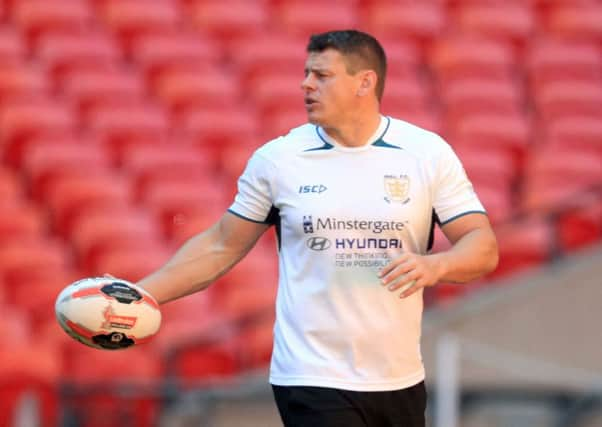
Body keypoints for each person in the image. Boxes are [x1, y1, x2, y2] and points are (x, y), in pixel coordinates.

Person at [136, 29, 499, 427]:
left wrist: (437, 266)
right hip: (311, 376)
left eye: (321, 75)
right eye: (306, 73)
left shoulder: (427, 154)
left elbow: (482, 245)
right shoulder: (279, 160)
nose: (305, 84)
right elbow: (221, 245)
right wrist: (141, 293)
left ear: (365, 82)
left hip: (399, 378)